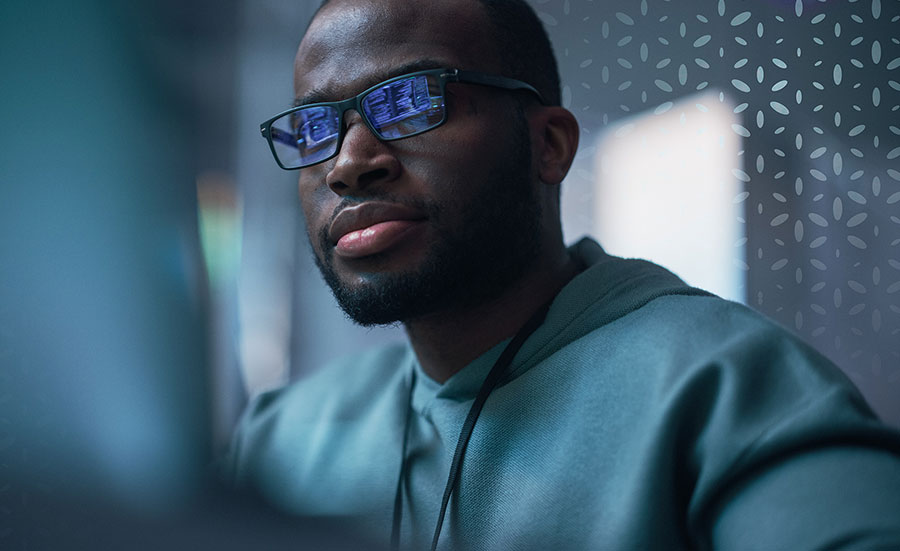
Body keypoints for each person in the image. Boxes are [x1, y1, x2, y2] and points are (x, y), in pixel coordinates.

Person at [225, 0, 900, 548]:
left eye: (409, 101)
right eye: (313, 130)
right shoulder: (280, 437)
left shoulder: (729, 387)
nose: (349, 163)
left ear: (548, 145)